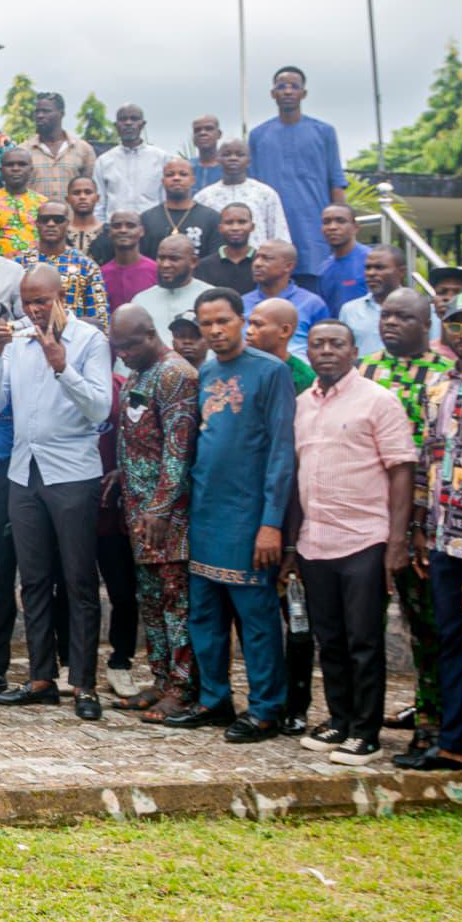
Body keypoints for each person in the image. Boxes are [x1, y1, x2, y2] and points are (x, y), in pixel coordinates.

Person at [159, 288, 298, 743]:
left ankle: (265, 709)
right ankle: (215, 699)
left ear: (243, 321)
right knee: (205, 615)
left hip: (250, 517)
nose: (215, 331)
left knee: (255, 618)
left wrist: (271, 523)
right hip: (207, 513)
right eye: (207, 324)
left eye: (224, 321)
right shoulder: (209, 371)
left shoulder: (272, 372)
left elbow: (281, 453)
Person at [0, 265, 113, 718]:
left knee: (77, 580)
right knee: (33, 580)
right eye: (27, 301)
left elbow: (99, 407)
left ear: (61, 297)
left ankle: (84, 685)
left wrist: (62, 366)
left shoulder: (90, 341)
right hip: (25, 471)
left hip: (73, 472)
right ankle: (41, 678)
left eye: (41, 300)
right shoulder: (15, 339)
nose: (33, 309)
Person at [292, 321, 418, 765]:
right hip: (315, 541)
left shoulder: (378, 401)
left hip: (365, 539)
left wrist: (397, 541)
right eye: (318, 344)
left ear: (353, 350)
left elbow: (402, 468)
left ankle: (366, 732)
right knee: (329, 638)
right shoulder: (302, 404)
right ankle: (339, 721)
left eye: (336, 344)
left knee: (364, 639)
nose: (326, 351)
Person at [359, 285, 451, 750]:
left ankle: (433, 718)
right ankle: (360, 718)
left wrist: (414, 525)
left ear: (426, 324)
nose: (391, 323)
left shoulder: (445, 375)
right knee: (363, 626)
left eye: (403, 317)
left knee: (426, 625)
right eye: (386, 315)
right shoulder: (366, 368)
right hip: (363, 516)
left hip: (422, 522)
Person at [109, 304, 200, 716]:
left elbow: (178, 451)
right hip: (137, 511)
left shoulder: (175, 375)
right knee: (150, 599)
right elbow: (141, 436)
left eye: (129, 346)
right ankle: (160, 679)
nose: (123, 354)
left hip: (168, 517)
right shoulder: (138, 372)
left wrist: (161, 509)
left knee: (174, 600)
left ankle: (182, 689)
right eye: (118, 347)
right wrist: (119, 471)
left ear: (150, 335)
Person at [247, 67, 347, 288]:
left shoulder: (323, 132)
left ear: (304, 93)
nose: (288, 91)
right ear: (273, 94)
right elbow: (252, 189)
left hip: (313, 232)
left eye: (294, 86)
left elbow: (336, 181)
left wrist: (342, 225)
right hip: (272, 232)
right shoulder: (258, 136)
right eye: (282, 87)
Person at [194, 137, 286, 256]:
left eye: (240, 154)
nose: (233, 158)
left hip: (258, 265)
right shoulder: (203, 197)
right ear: (218, 160)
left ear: (249, 161)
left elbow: (279, 235)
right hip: (214, 266)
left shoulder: (266, 194)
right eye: (227, 154)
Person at [338, 245, 434, 358]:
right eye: (368, 268)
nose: (371, 273)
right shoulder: (349, 310)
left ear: (401, 272)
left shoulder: (422, 309)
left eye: (379, 268)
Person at [241, 240, 328, 356]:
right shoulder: (242, 303)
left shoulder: (312, 303)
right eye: (256, 258)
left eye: (267, 258)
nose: (257, 263)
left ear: (288, 266)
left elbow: (324, 346)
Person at [92, 104, 171, 223]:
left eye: (134, 119)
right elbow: (99, 202)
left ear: (143, 124)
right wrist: (102, 228)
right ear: (116, 125)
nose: (128, 123)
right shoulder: (104, 161)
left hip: (152, 228)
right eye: (123, 119)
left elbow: (167, 199)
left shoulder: (161, 158)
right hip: (115, 230)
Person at [21, 91, 97, 205]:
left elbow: (91, 191)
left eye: (46, 111)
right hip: (34, 221)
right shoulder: (23, 151)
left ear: (61, 113)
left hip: (72, 221)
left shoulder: (83, 149)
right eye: (37, 112)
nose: (40, 116)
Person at [129, 233, 208, 341]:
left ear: (193, 262)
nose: (165, 265)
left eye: (174, 259)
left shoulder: (209, 297)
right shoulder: (140, 301)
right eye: (161, 258)